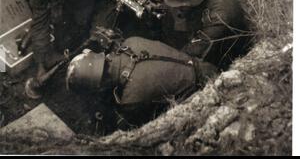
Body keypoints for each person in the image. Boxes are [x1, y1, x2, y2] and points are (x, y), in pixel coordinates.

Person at [17, 0, 141, 81]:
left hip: (102, 3)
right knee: (62, 46)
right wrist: (41, 65)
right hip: (78, 11)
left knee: (97, 44)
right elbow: (40, 26)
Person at [66, 34, 217, 126]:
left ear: (100, 85)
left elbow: (130, 126)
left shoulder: (131, 98)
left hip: (208, 92)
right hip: (207, 66)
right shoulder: (131, 42)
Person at [162, 0, 252, 69]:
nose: (177, 9)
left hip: (230, 43)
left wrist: (171, 57)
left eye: (181, 7)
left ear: (192, 2)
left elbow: (197, 48)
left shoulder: (219, 17)